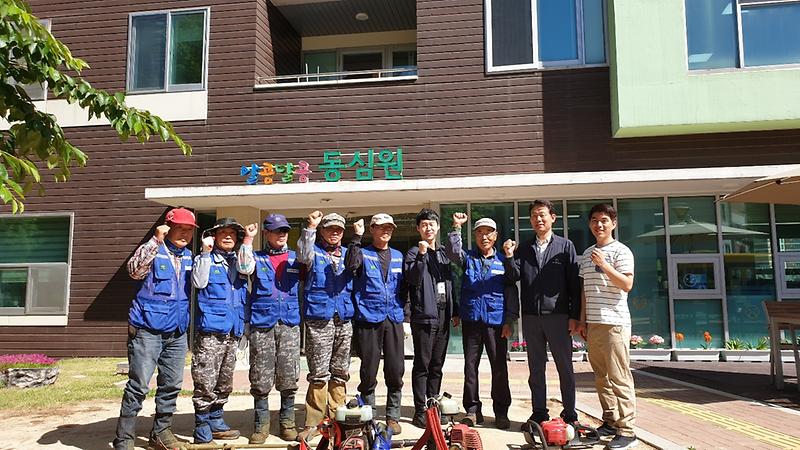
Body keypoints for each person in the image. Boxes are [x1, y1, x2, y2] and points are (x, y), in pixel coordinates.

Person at [113, 208, 197, 450]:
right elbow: (134, 271)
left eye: (189, 230)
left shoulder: (189, 256)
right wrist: (155, 240)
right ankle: (125, 438)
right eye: (181, 228)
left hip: (178, 329)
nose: (185, 234)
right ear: (167, 227)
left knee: (171, 384)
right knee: (139, 385)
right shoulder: (153, 248)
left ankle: (161, 433)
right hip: (147, 328)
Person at [503, 200, 581, 429]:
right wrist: (508, 255)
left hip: (558, 316)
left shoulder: (566, 246)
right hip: (531, 316)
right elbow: (513, 276)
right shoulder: (524, 248)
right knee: (535, 368)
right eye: (534, 216)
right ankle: (539, 412)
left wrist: (574, 315)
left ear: (552, 218)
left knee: (564, 366)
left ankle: (570, 413)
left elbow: (574, 284)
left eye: (542, 215)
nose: (538, 219)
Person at [445, 213, 517, 430]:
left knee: (499, 367)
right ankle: (473, 410)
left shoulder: (504, 260)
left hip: (496, 321)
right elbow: (452, 252)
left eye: (488, 233)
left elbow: (512, 289)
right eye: (479, 233)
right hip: (472, 320)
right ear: (474, 236)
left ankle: (501, 411)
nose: (484, 237)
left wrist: (510, 320)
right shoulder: (468, 257)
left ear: (495, 236)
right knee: (470, 367)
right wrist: (457, 228)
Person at [577, 204, 637, 450]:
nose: (598, 225)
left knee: (619, 377)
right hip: (594, 323)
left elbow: (627, 284)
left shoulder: (621, 251)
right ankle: (610, 421)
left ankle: (628, 430)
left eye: (604, 220)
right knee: (601, 378)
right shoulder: (587, 253)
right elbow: (584, 291)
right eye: (594, 220)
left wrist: (605, 265)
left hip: (615, 323)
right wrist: (583, 320)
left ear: (613, 223)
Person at [237, 214, 302, 442]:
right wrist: (248, 239)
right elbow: (244, 267)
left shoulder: (296, 258)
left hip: (289, 324)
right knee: (261, 375)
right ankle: (261, 426)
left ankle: (287, 423)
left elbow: (311, 262)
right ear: (267, 234)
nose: (282, 234)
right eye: (276, 230)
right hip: (263, 324)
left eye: (284, 230)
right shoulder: (256, 257)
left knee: (289, 374)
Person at [346, 213, 408, 435]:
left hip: (393, 318)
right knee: (368, 369)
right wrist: (356, 237)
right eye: (381, 227)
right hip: (368, 318)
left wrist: (404, 311)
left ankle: (393, 416)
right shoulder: (362, 253)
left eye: (389, 227)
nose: (386, 231)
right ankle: (369, 413)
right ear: (372, 229)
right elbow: (351, 265)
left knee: (395, 369)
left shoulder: (400, 256)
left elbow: (405, 287)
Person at [296, 211, 355, 441]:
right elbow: (302, 254)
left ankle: (338, 418)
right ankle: (314, 422)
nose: (334, 233)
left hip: (344, 318)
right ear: (322, 231)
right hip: (319, 317)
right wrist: (310, 226)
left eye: (338, 230)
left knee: (340, 370)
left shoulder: (350, 254)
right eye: (329, 228)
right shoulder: (313, 252)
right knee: (319, 372)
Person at [190, 217, 249, 444]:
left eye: (232, 234)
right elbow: (199, 282)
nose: (227, 237)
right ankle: (202, 424)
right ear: (213, 237)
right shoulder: (204, 259)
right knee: (205, 378)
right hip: (211, 331)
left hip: (233, 330)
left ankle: (216, 420)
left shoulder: (239, 261)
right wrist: (205, 253)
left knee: (225, 379)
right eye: (223, 233)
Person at [403, 208, 455, 428]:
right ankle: (420, 409)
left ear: (437, 227)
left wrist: (456, 311)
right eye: (423, 225)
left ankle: (433, 406)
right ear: (418, 229)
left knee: (437, 365)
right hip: (424, 317)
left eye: (431, 224)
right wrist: (422, 255)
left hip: (443, 316)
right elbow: (412, 279)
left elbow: (452, 281)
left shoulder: (443, 253)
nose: (428, 228)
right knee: (422, 365)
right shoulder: (414, 253)